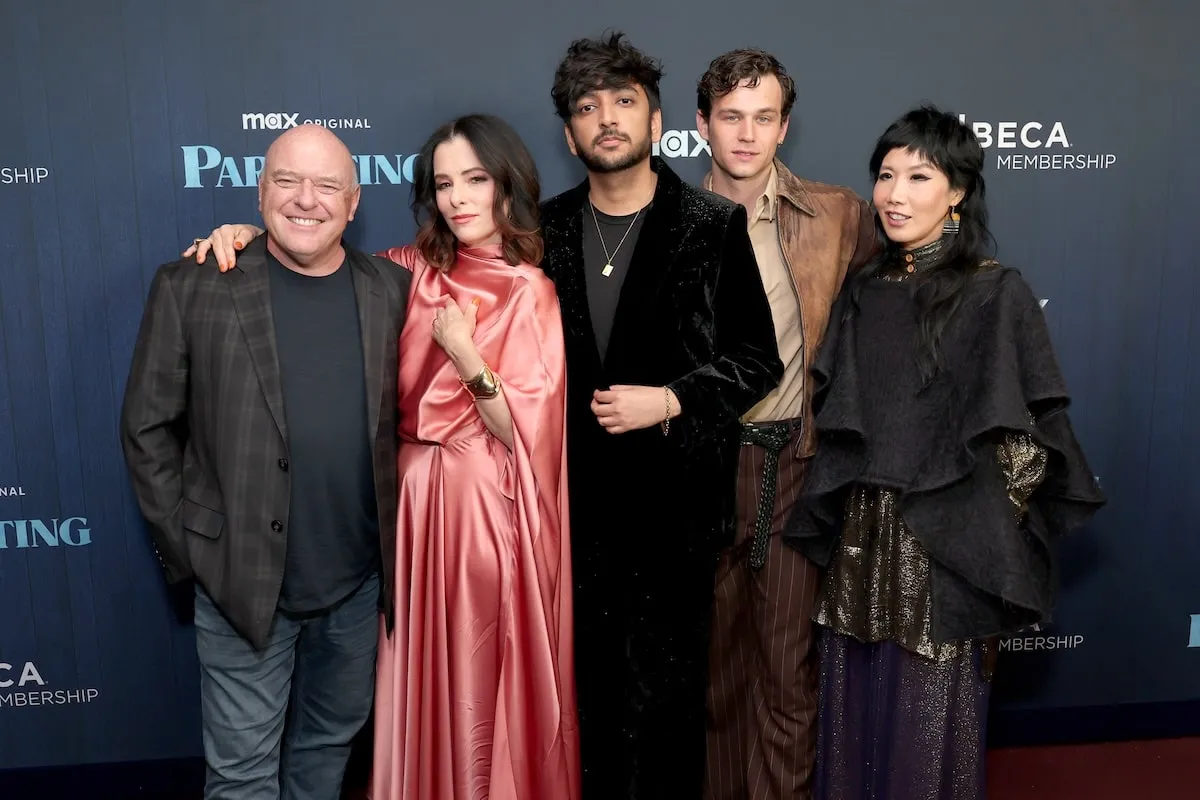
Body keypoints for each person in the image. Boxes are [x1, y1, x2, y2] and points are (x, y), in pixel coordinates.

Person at [184, 114, 580, 800]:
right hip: (404, 516)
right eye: (445, 183)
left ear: (506, 185)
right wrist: (247, 235)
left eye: (476, 180)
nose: (458, 198)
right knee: (404, 686)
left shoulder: (529, 290)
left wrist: (464, 352)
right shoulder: (404, 270)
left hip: (479, 513)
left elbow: (520, 431)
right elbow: (314, 248)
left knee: (472, 682)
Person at [783, 105, 1107, 799]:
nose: (895, 194)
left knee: (925, 732)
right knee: (851, 713)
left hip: (945, 549)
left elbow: (1026, 439)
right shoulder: (864, 289)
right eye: (886, 175)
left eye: (919, 175)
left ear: (956, 191)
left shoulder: (996, 292)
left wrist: (967, 522)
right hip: (862, 537)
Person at [121, 124, 412, 800]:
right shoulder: (193, 284)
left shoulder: (394, 291)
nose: (304, 200)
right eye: (287, 181)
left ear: (353, 200)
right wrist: (194, 553)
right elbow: (147, 429)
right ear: (259, 194)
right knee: (241, 775)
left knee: (325, 753)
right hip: (239, 587)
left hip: (356, 584)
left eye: (325, 185)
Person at [539, 32, 784, 798]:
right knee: (586, 715)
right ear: (570, 133)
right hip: (568, 522)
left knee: (668, 719)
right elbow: (435, 267)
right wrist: (252, 240)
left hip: (673, 522)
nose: (605, 119)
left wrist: (674, 398)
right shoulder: (540, 232)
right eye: (587, 107)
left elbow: (758, 358)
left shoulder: (711, 225)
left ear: (656, 123)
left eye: (623, 102)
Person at [693, 49, 875, 800]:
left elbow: (878, 331)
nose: (746, 134)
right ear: (700, 125)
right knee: (712, 667)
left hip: (796, 465)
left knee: (789, 666)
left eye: (762, 118)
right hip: (703, 469)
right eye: (731, 117)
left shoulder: (837, 216)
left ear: (784, 127)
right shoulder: (665, 220)